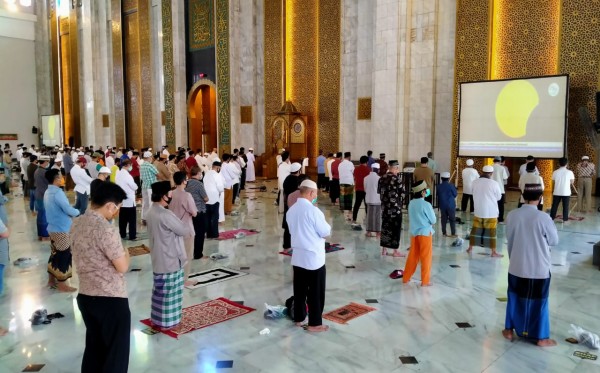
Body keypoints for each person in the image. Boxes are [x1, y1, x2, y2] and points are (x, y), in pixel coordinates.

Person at [71, 181, 130, 372]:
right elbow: (121, 267)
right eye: (117, 208)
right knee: (115, 355)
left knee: (94, 350)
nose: (116, 212)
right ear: (110, 206)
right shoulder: (106, 230)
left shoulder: (77, 222)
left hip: (86, 296)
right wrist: (127, 253)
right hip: (110, 299)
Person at [503, 183, 559, 347]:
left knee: (513, 298)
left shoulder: (512, 215)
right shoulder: (543, 217)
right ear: (540, 198)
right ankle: (541, 338)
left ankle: (508, 331)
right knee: (539, 302)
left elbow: (510, 238)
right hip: (538, 269)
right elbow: (554, 241)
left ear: (522, 196)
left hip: (516, 266)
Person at [287, 179, 331, 333]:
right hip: (314, 259)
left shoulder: (291, 210)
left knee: (299, 290)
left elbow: (292, 232)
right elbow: (325, 232)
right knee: (316, 292)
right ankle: (315, 323)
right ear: (312, 193)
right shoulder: (313, 211)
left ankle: (299, 319)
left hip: (298, 256)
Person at [146, 180, 189, 331]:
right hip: (170, 257)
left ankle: (157, 319)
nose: (171, 194)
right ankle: (169, 322)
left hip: (158, 257)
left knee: (159, 291)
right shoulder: (165, 214)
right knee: (171, 294)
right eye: (169, 192)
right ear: (164, 195)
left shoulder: (151, 211)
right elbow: (183, 231)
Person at [44, 169, 79, 292]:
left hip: (52, 228)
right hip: (61, 229)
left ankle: (51, 279)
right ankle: (62, 284)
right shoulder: (57, 193)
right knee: (64, 255)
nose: (62, 178)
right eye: (60, 177)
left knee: (55, 253)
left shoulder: (48, 191)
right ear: (56, 179)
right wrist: (77, 211)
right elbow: (68, 209)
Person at [402, 181, 436, 286]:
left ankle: (406, 278)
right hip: (425, 233)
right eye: (425, 189)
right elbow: (433, 220)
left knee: (413, 256)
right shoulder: (426, 204)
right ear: (422, 192)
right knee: (426, 257)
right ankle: (425, 281)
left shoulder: (411, 203)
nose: (427, 191)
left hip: (414, 233)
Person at [467, 165, 503, 257]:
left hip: (478, 211)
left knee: (475, 230)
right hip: (491, 212)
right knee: (491, 232)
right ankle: (493, 252)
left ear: (482, 172)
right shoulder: (494, 183)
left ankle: (470, 248)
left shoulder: (475, 182)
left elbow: (471, 193)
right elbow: (499, 197)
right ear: (491, 174)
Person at [170, 171, 198, 283]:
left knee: (176, 255)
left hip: (173, 228)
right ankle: (185, 279)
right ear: (183, 181)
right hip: (186, 229)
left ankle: (176, 277)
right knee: (187, 255)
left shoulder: (171, 193)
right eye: (186, 179)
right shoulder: (187, 195)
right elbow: (194, 212)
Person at [378, 160, 405, 257]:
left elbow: (379, 192)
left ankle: (384, 250)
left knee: (386, 228)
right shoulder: (397, 180)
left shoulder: (381, 178)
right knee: (395, 229)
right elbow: (403, 194)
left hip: (385, 209)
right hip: (395, 210)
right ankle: (395, 251)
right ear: (396, 168)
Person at [186, 166, 209, 259]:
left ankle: (190, 252)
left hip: (189, 211)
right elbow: (206, 198)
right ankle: (198, 254)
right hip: (199, 211)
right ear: (198, 173)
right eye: (200, 173)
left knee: (192, 232)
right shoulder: (199, 184)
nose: (201, 175)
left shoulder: (187, 183)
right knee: (200, 233)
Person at [115, 159, 138, 240]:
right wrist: (136, 187)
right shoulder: (128, 176)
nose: (131, 167)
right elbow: (134, 186)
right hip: (129, 200)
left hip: (121, 199)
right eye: (130, 165)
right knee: (132, 220)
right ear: (127, 165)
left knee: (122, 219)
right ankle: (132, 235)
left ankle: (122, 234)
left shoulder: (118, 173)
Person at [282, 163, 302, 253]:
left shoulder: (287, 178)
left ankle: (287, 246)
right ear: (298, 170)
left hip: (288, 204)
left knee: (288, 227)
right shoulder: (297, 180)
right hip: (296, 206)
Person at [550, 157, 575, 222]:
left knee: (554, 206)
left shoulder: (555, 172)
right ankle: (565, 219)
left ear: (559, 163)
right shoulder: (570, 172)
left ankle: (551, 218)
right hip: (566, 192)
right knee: (565, 206)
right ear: (566, 163)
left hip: (557, 191)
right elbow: (572, 182)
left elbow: (553, 181)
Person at [203, 161, 224, 239]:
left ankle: (208, 234)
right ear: (218, 168)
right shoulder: (217, 175)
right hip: (214, 198)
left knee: (207, 217)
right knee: (215, 217)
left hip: (206, 199)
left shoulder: (206, 174)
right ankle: (214, 234)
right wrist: (220, 191)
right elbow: (220, 188)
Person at [34, 156, 51, 240]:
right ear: (44, 162)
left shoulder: (37, 170)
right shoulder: (44, 172)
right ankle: (44, 235)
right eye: (47, 161)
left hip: (38, 194)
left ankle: (40, 234)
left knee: (40, 215)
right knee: (44, 215)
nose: (48, 163)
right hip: (43, 195)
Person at [140, 151, 159, 223]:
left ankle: (144, 218)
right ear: (149, 157)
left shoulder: (142, 166)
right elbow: (157, 174)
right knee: (152, 203)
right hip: (151, 187)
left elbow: (141, 178)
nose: (152, 158)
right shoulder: (150, 166)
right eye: (151, 157)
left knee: (145, 203)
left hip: (144, 186)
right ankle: (151, 220)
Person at [438, 172, 458, 237]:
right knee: (452, 219)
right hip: (451, 205)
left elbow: (437, 194)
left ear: (441, 178)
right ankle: (453, 233)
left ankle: (444, 233)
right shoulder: (451, 185)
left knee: (443, 219)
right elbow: (455, 194)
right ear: (449, 178)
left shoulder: (438, 186)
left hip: (442, 205)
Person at [364, 163, 381, 237]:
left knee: (369, 216)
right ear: (378, 170)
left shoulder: (366, 178)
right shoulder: (379, 178)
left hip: (369, 199)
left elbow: (365, 189)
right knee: (377, 216)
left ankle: (368, 232)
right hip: (377, 200)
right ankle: (378, 233)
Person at [352, 155, 371, 225]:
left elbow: (355, 177)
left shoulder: (356, 169)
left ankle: (354, 219)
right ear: (367, 162)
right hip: (366, 189)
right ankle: (367, 219)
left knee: (357, 204)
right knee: (367, 205)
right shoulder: (368, 169)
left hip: (358, 189)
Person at [491, 157, 509, 224]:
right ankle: (500, 219)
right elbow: (505, 177)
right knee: (501, 205)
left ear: (494, 161)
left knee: (492, 204)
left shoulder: (490, 167)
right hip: (500, 189)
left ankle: (492, 218)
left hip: (491, 189)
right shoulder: (502, 168)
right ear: (500, 161)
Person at [338, 152, 355, 221]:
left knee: (342, 196)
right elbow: (353, 171)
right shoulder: (350, 163)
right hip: (349, 182)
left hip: (342, 181)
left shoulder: (340, 164)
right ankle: (349, 210)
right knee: (349, 197)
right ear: (349, 157)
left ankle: (343, 210)